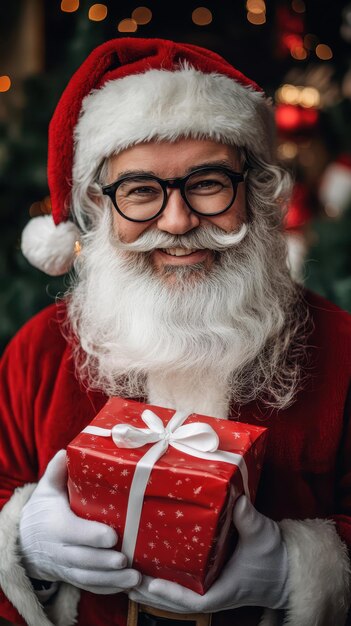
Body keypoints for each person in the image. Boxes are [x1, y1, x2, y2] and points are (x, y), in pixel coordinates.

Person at [0, 37, 350, 626]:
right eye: (140, 191)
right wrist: (19, 542)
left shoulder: (341, 349)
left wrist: (303, 571)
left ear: (255, 191)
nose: (178, 220)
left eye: (209, 182)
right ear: (102, 207)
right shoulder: (40, 350)